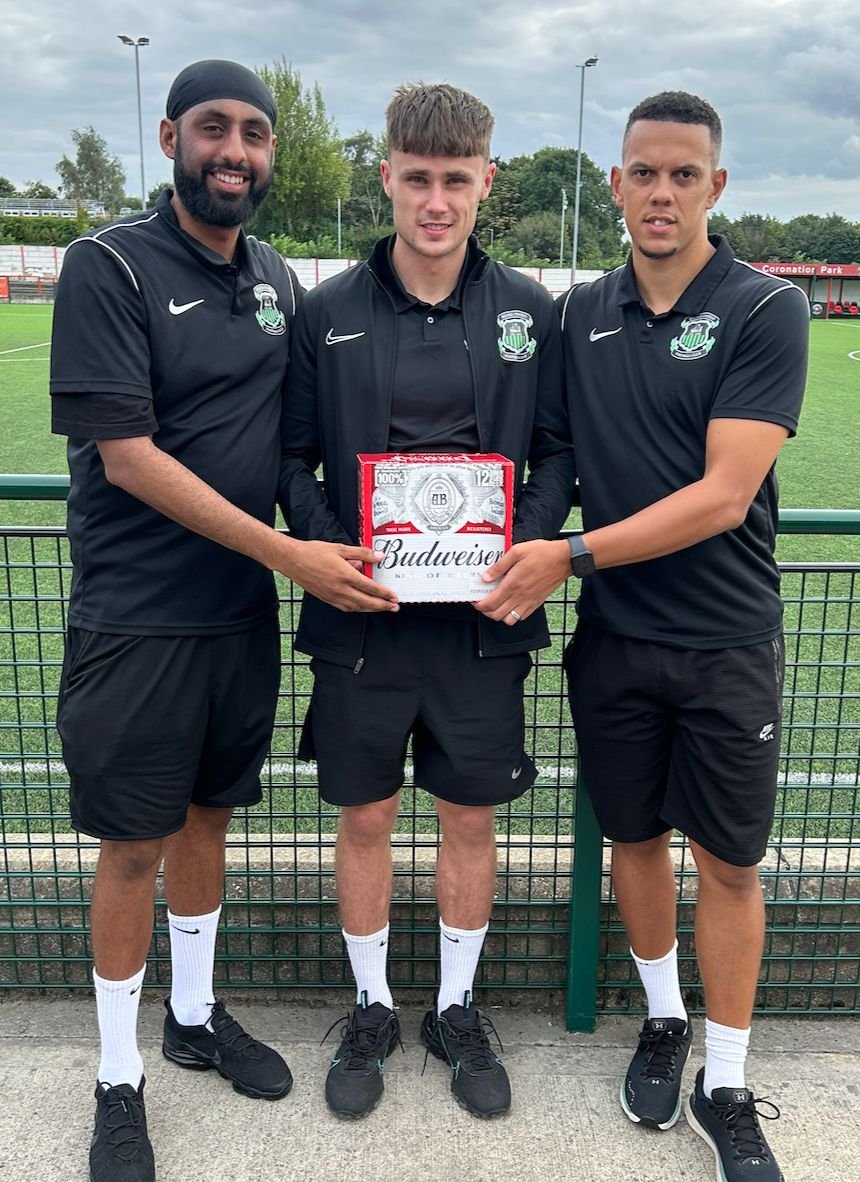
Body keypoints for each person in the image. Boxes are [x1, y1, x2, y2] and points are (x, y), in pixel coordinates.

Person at [49, 59, 396, 1182]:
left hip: (238, 620)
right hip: (139, 620)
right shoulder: (108, 265)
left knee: (209, 824)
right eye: (213, 127)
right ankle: (117, 1077)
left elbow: (297, 436)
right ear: (171, 139)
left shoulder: (276, 275)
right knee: (131, 848)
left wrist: (390, 531)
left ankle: (193, 1019)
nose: (233, 149)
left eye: (253, 131)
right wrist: (290, 554)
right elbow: (128, 455)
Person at [477, 91, 808, 1181]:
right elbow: (559, 453)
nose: (661, 194)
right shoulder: (580, 313)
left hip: (723, 642)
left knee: (729, 864)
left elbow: (722, 496)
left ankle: (727, 1080)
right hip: (614, 643)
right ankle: (663, 1019)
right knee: (633, 841)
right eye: (644, 174)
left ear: (716, 185)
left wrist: (565, 556)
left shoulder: (764, 308)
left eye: (683, 175)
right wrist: (493, 537)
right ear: (615, 184)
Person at [280, 82, 574, 1120]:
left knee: (468, 816)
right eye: (417, 179)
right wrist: (327, 547)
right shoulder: (325, 313)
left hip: (482, 621)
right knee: (365, 814)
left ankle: (453, 1009)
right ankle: (371, 1008)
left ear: (486, 181)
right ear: (388, 178)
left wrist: (524, 545)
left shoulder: (531, 311)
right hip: (361, 615)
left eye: (455, 180)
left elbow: (557, 453)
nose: (436, 201)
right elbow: (292, 457)